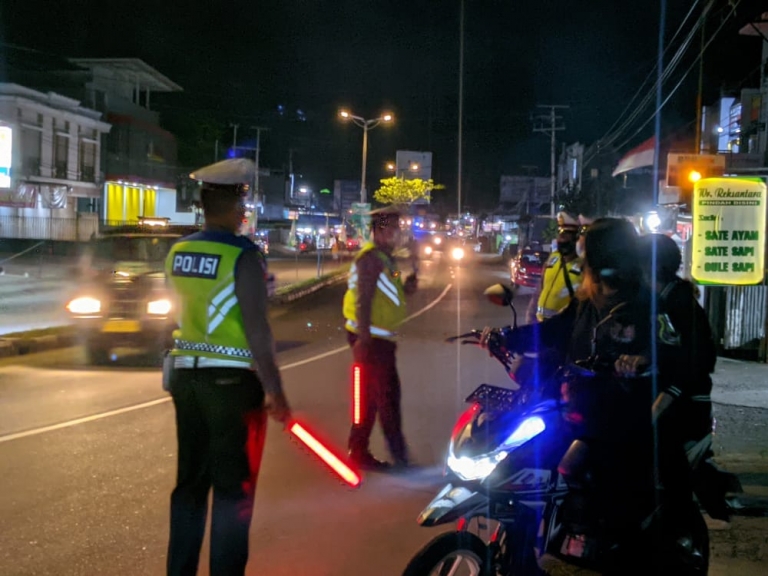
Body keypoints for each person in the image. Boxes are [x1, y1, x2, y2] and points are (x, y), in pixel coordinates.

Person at [483, 218, 697, 573]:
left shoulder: (645, 306)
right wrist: (507, 337)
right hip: (574, 409)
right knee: (521, 465)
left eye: (588, 252)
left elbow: (675, 354)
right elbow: (554, 331)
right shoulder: (587, 302)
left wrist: (642, 361)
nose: (584, 262)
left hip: (620, 419)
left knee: (604, 504)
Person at [164, 158, 292, 576]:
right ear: (234, 204)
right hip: (232, 384)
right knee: (234, 493)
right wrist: (275, 390)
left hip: (185, 379)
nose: (245, 211)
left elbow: (177, 313)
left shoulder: (178, 251)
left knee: (189, 486)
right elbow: (256, 328)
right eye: (243, 201)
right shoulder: (242, 254)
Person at [638, 233, 737, 521]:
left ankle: (676, 526)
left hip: (685, 401)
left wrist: (667, 395)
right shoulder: (658, 299)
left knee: (662, 456)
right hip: (664, 392)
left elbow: (697, 359)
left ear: (650, 266)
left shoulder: (679, 302)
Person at [342, 206, 418, 470]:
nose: (398, 234)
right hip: (371, 341)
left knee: (372, 398)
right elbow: (363, 299)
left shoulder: (387, 259)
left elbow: (396, 288)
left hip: (379, 339)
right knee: (387, 398)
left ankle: (359, 450)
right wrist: (363, 341)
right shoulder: (370, 259)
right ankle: (399, 457)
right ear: (381, 230)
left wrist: (410, 279)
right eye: (394, 229)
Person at [526, 212, 583, 324]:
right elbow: (540, 290)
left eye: (566, 236)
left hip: (563, 327)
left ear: (576, 240)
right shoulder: (553, 258)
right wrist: (530, 315)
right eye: (560, 235)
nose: (561, 240)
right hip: (539, 323)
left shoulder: (583, 266)